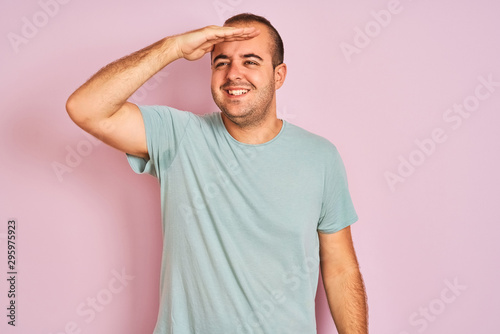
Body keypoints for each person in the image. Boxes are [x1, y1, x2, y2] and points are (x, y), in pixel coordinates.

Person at [66, 13, 368, 334]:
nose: (233, 73)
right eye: (221, 63)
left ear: (278, 75)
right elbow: (86, 108)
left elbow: (340, 269)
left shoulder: (320, 156)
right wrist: (174, 47)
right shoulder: (178, 135)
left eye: (250, 61)